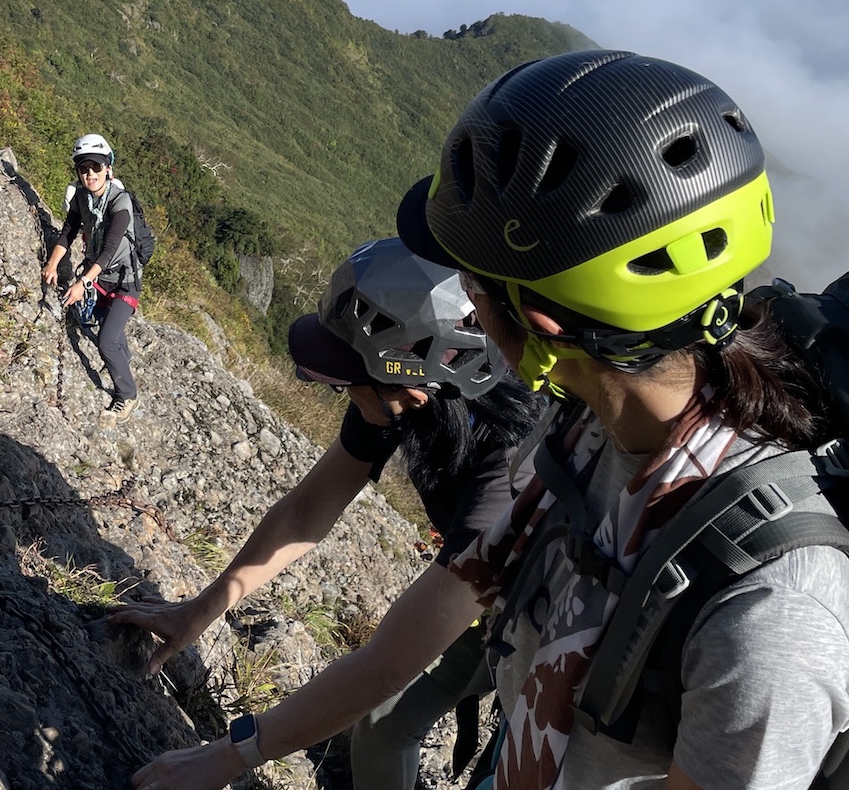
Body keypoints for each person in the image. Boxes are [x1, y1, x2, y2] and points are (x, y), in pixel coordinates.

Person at [131, 50, 849, 790]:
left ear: (538, 321)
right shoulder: (581, 440)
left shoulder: (770, 611)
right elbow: (389, 658)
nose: (465, 307)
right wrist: (226, 757)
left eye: (472, 284)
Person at [115, 237, 539, 790]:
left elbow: (387, 666)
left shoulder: (512, 467)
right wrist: (198, 613)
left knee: (427, 737)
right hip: (492, 594)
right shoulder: (411, 390)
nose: (338, 390)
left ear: (412, 391)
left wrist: (227, 757)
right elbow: (307, 511)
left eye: (345, 380)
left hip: (554, 633)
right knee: (382, 728)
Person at [42, 133, 142, 421]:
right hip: (100, 278)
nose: (90, 174)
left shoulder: (120, 203)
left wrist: (82, 282)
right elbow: (68, 232)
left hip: (125, 280)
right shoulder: (82, 199)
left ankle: (128, 395)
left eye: (96, 167)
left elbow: (109, 249)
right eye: (84, 169)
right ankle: (123, 362)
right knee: (106, 326)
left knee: (107, 341)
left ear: (108, 168)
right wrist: (52, 264)